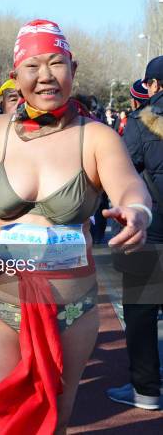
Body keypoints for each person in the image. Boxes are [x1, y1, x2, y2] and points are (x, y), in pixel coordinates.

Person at [0, 19, 152, 434]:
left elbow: (130, 187)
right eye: (33, 66)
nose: (46, 76)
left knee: (52, 422)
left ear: (73, 67)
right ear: (15, 76)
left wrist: (137, 212)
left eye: (56, 63)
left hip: (70, 303)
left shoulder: (96, 137)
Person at [106, 58, 163, 411]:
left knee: (142, 311)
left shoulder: (144, 120)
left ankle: (147, 390)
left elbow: (125, 170)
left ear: (154, 85)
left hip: (153, 231)